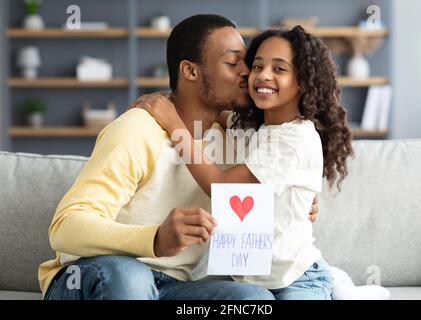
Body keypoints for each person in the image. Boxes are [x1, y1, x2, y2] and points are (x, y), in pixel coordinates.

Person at [38, 14, 318, 300]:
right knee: (130, 278)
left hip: (176, 286)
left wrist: (294, 203)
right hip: (92, 275)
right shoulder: (138, 128)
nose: (249, 73)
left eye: (248, 63)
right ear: (190, 71)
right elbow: (65, 227)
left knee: (253, 299)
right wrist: (155, 239)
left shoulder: (237, 139)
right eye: (234, 63)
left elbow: (267, 179)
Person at [134, 25, 355, 300]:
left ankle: (340, 286)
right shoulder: (257, 130)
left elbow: (222, 187)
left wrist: (173, 124)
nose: (263, 75)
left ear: (303, 81)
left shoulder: (295, 137)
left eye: (279, 69)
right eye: (258, 66)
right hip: (249, 282)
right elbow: (218, 114)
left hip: (297, 280)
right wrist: (168, 106)